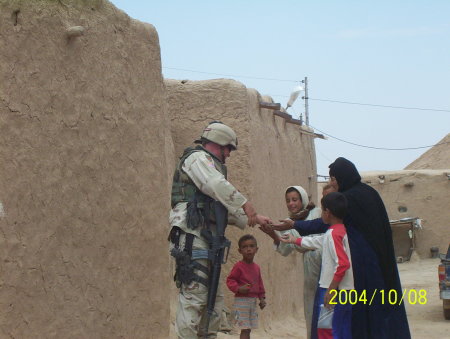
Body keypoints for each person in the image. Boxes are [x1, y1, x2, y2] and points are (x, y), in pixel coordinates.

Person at [274, 157, 411, 339]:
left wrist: (295, 224)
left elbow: (323, 226)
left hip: (360, 268)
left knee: (349, 319)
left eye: (333, 179)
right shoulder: (369, 192)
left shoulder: (347, 201)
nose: (331, 183)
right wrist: (295, 235)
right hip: (378, 262)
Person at [168, 121, 271, 339]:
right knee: (195, 295)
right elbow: (214, 184)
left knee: (212, 299)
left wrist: (256, 219)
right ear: (220, 143)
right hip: (192, 235)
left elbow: (221, 209)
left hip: (208, 238)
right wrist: (245, 203)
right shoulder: (197, 159)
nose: (230, 155)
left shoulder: (210, 166)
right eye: (229, 149)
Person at [281, 192, 353, 339]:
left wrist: (331, 290)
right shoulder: (339, 231)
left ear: (328, 213)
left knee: (327, 331)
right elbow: (319, 241)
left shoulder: (333, 234)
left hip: (334, 291)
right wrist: (294, 240)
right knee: (341, 329)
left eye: (322, 210)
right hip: (344, 291)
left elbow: (343, 264)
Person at [259, 185, 322, 339]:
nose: (291, 204)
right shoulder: (288, 222)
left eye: (295, 200)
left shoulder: (316, 213)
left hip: (322, 260)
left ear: (303, 199)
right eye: (288, 201)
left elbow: (321, 238)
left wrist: (300, 240)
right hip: (309, 267)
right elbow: (286, 248)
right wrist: (272, 234)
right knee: (311, 307)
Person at [226, 234, 266, 339]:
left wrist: (262, 298)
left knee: (249, 328)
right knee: (245, 328)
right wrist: (238, 288)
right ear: (240, 251)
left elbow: (260, 284)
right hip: (241, 301)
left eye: (251, 246)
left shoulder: (256, 268)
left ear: (256, 249)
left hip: (252, 301)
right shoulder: (238, 266)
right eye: (245, 247)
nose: (248, 249)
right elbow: (230, 280)